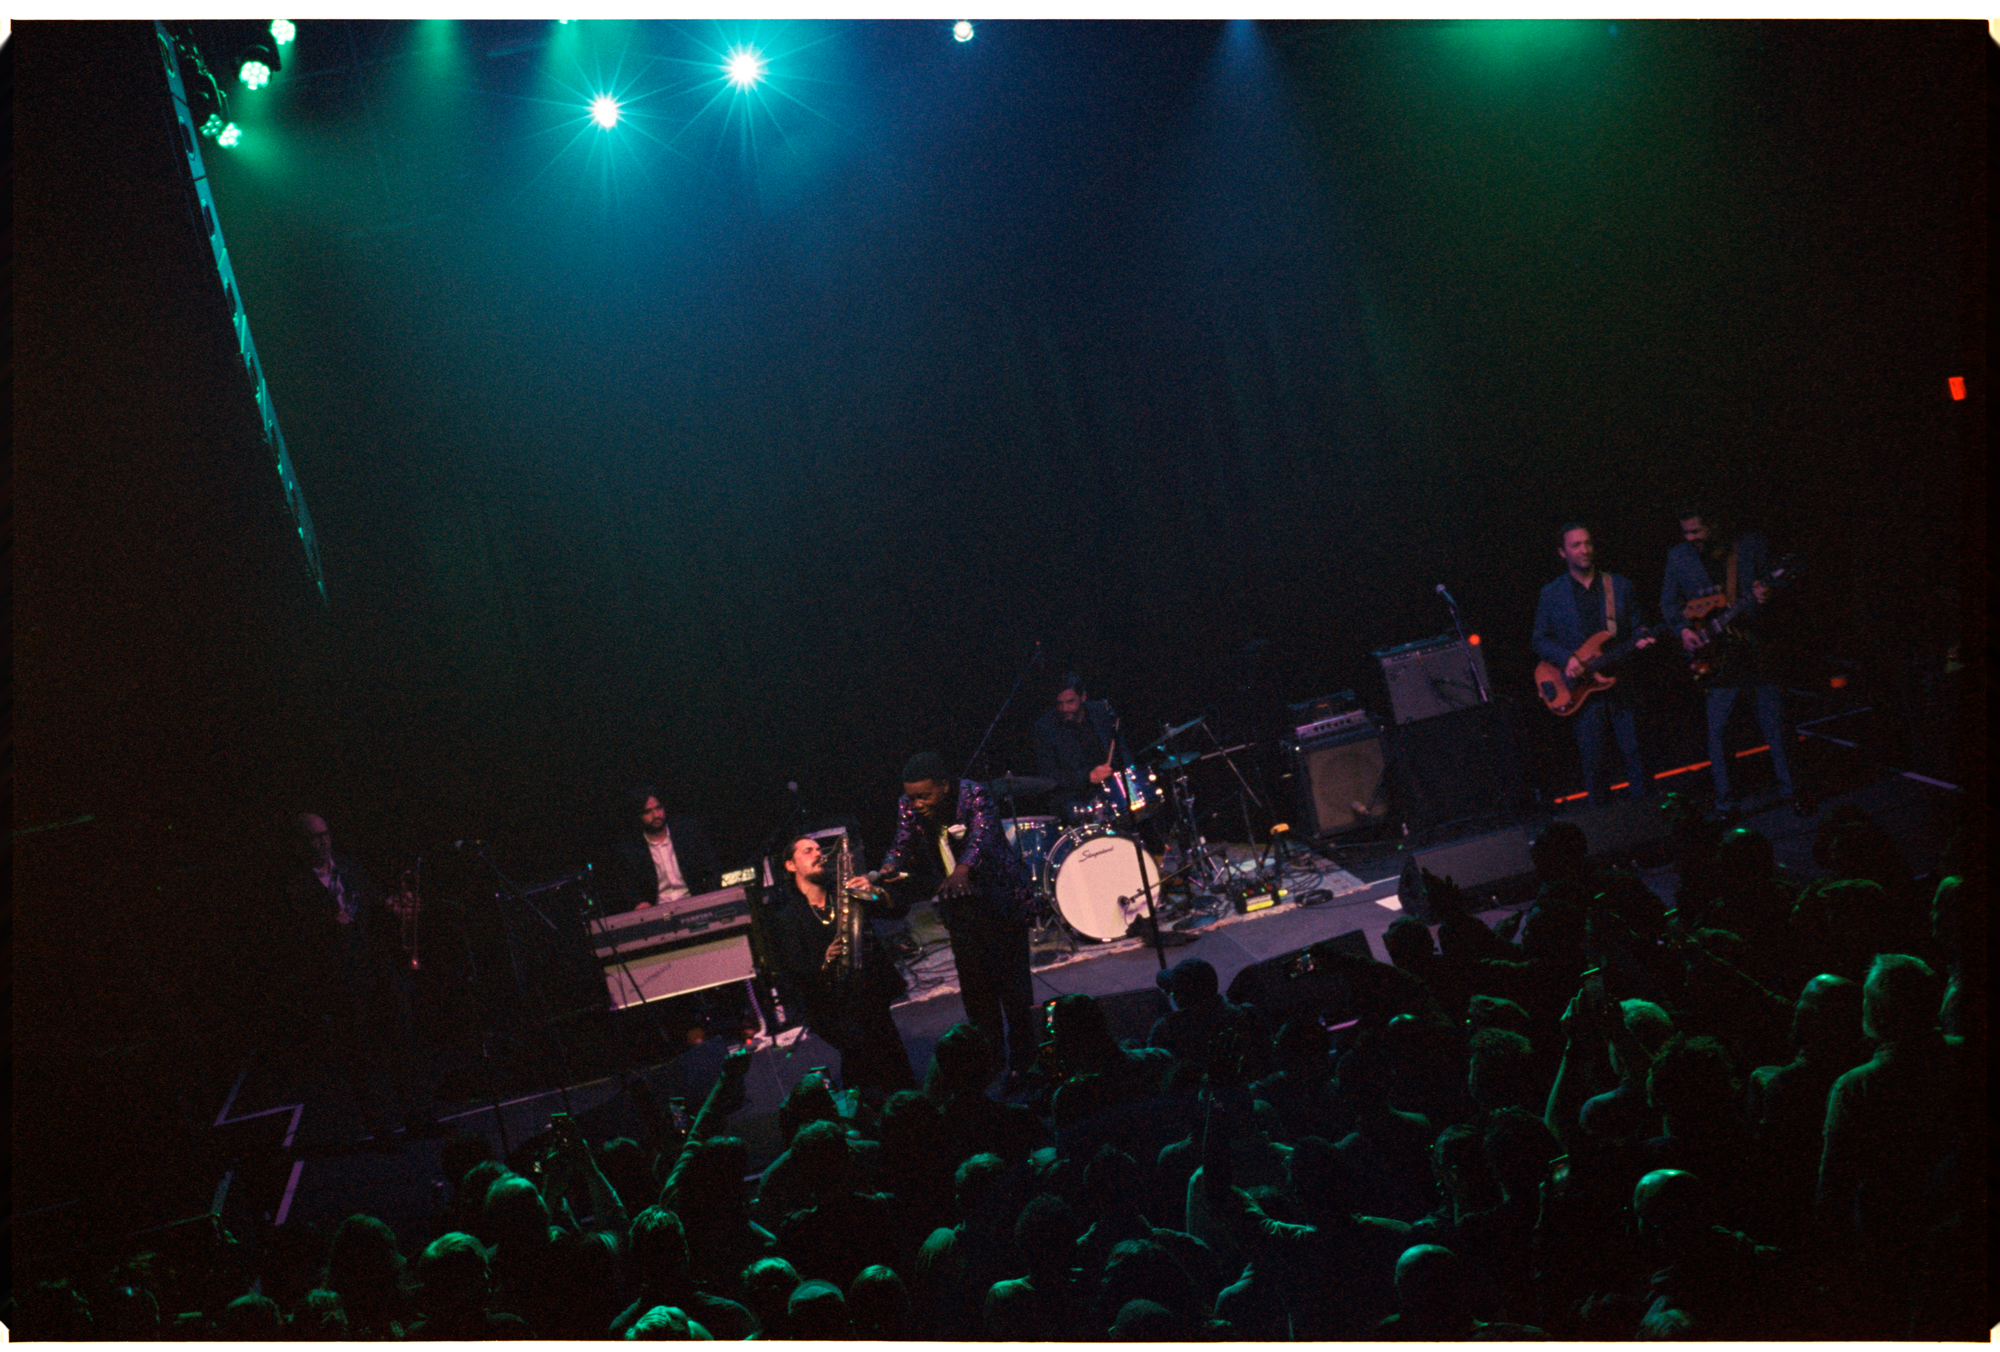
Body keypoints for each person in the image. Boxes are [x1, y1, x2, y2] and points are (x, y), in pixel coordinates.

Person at [877, 752, 1040, 1083]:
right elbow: (902, 841)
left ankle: (1025, 1063)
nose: (917, 803)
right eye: (912, 797)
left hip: (1000, 900)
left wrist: (963, 868)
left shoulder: (973, 793)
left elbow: (983, 836)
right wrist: (891, 864)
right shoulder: (908, 805)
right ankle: (991, 1062)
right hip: (960, 908)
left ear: (944, 786)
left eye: (924, 796)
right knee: (977, 991)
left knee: (1014, 988)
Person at [279, 811, 430, 1139]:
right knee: (363, 1056)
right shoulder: (295, 886)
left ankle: (418, 1118)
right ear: (300, 844)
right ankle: (383, 1130)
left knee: (402, 1042)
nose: (323, 842)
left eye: (325, 835)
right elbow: (293, 940)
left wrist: (394, 906)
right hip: (342, 980)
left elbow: (372, 903)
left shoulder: (349, 866)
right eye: (314, 838)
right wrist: (327, 925)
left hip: (376, 966)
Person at [1659, 506, 1808, 816]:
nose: (1691, 538)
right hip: (1718, 658)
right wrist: (1683, 630)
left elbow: (1783, 586)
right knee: (1719, 731)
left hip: (1756, 650)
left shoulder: (1750, 545)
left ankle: (1794, 791)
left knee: (1776, 725)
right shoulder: (1678, 556)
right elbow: (1669, 603)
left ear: (1714, 524)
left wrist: (1769, 594)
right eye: (1686, 533)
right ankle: (1726, 803)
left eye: (1697, 531)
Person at [764, 832, 916, 1099]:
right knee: (862, 1049)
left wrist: (875, 893)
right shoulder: (786, 918)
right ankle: (863, 1105)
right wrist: (824, 961)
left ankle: (896, 1104)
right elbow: (793, 972)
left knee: (891, 1057)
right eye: (807, 851)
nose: (818, 854)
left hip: (868, 991)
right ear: (790, 865)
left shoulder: (845, 894)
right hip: (828, 1004)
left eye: (818, 849)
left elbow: (899, 909)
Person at [1532, 522, 1657, 807]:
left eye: (1587, 543)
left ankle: (1647, 813)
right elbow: (1539, 639)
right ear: (1562, 552)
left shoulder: (1619, 585)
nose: (1584, 549)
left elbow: (1638, 625)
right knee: (1594, 762)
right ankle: (1603, 821)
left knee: (1636, 753)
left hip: (1621, 682)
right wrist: (1567, 659)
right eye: (1576, 545)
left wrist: (1643, 636)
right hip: (1583, 691)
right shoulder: (1551, 594)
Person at [1032, 673, 1129, 823]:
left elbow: (1122, 750)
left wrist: (1127, 776)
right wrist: (1087, 777)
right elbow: (1048, 775)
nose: (1065, 708)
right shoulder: (1044, 728)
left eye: (1070, 702)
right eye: (1060, 703)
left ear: (1083, 697)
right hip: (1074, 796)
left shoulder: (1100, 711)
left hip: (1111, 785)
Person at [611, 785, 722, 913]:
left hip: (695, 903)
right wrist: (639, 903)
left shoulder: (687, 831)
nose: (656, 815)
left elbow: (713, 868)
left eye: (658, 808)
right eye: (648, 812)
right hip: (658, 911)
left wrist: (710, 898)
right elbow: (628, 887)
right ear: (638, 816)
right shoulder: (630, 849)